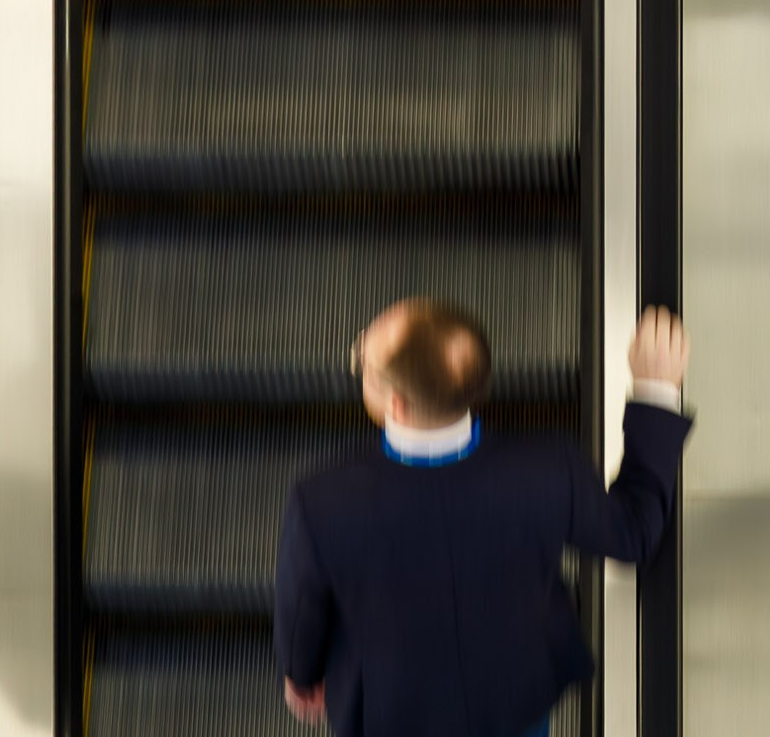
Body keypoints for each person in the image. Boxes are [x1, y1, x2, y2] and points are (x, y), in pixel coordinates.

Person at [275, 299, 692, 737]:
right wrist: (655, 392)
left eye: (363, 360)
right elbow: (633, 533)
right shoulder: (549, 470)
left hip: (389, 709)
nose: (359, 357)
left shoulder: (321, 501)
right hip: (513, 697)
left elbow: (302, 609)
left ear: (395, 405)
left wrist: (301, 674)